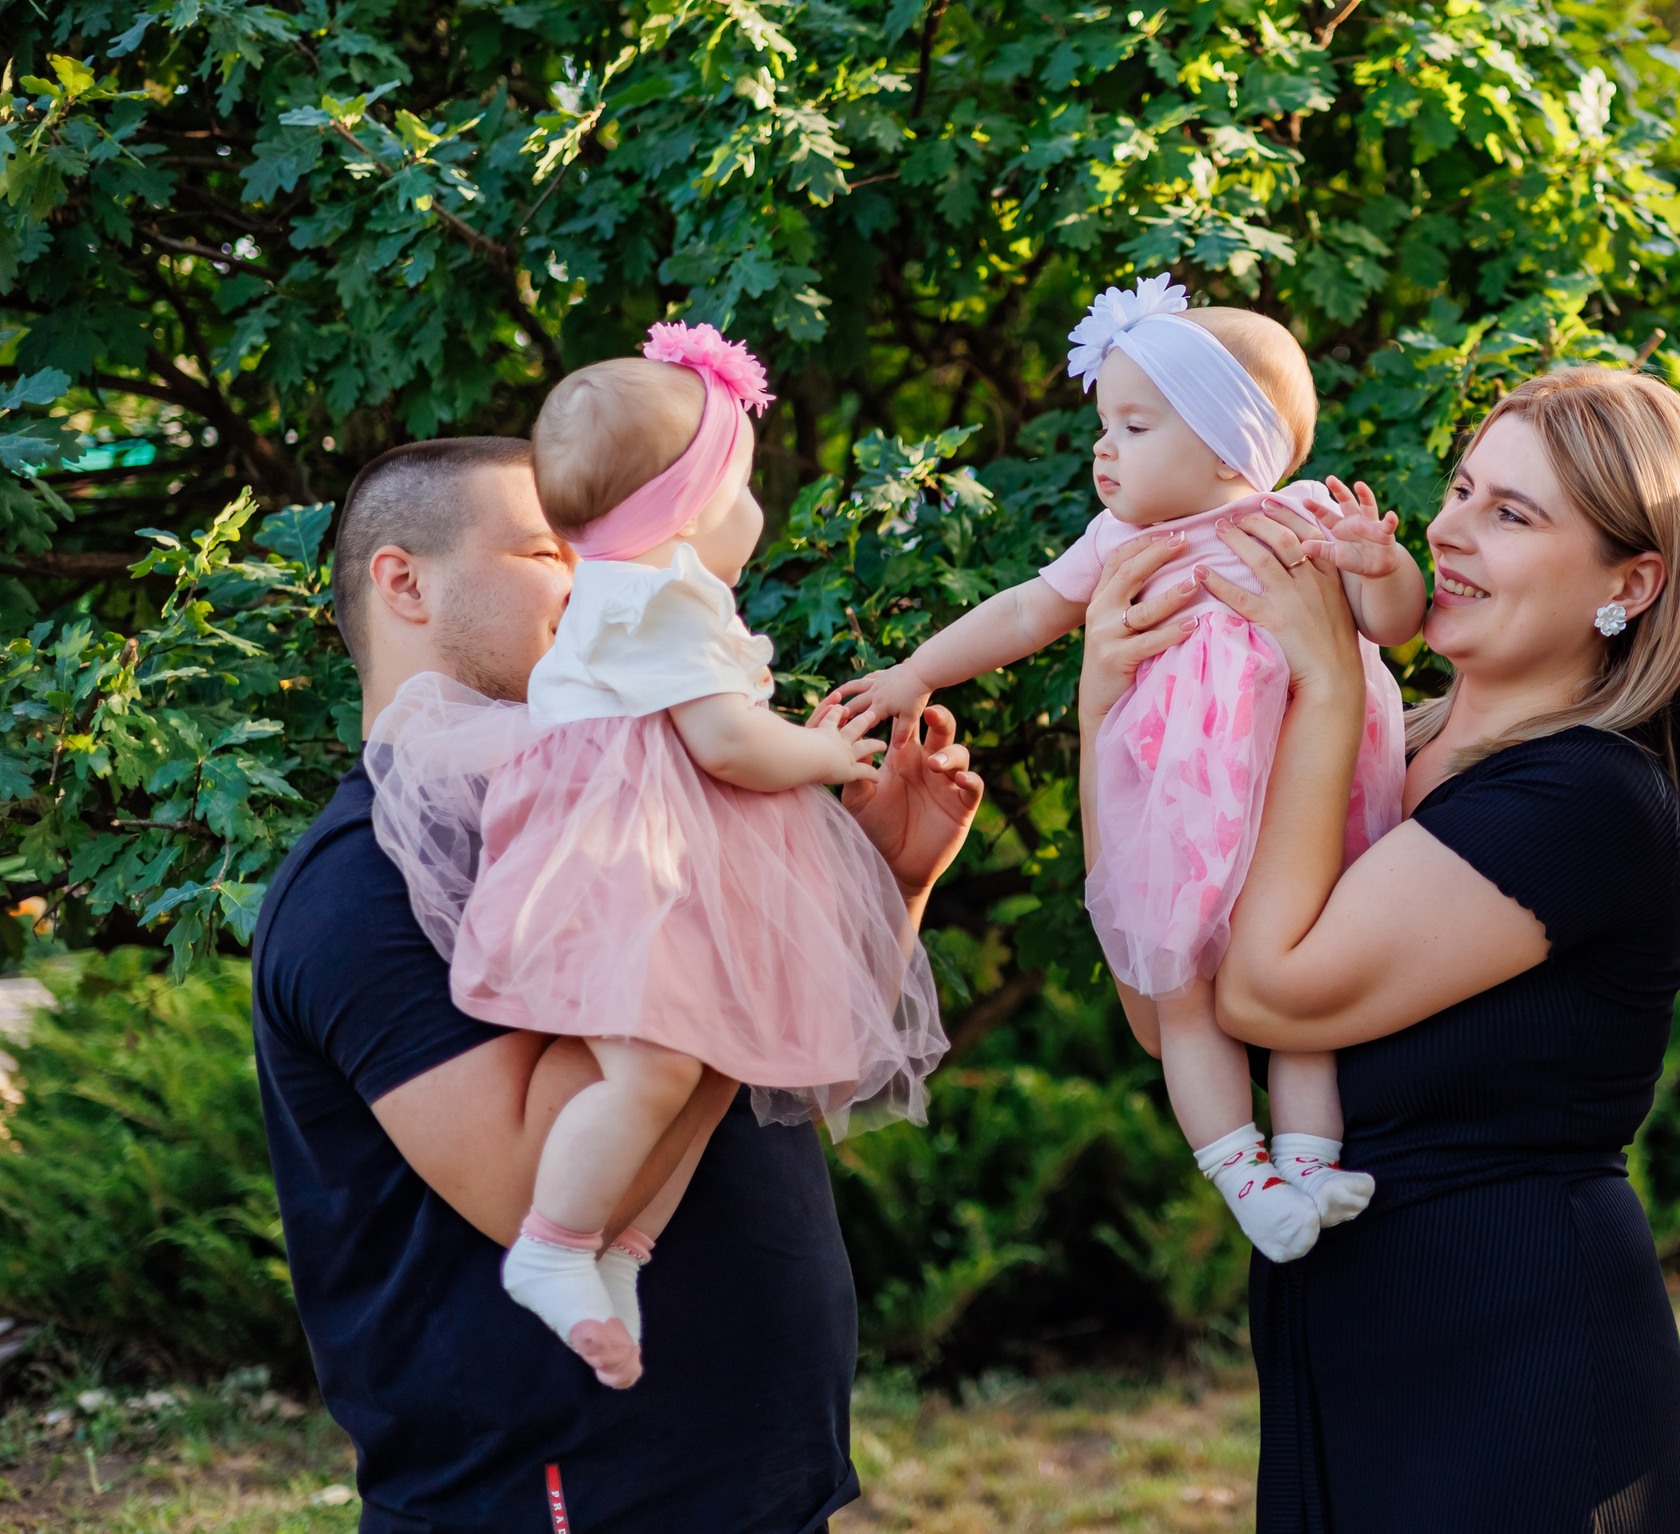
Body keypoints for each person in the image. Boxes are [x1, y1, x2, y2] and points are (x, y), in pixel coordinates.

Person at [251, 433, 983, 1533]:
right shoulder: (363, 883)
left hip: (760, 1473)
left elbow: (788, 1061)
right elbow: (542, 1191)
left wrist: (888, 884)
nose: (602, 579)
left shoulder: (632, 804)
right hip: (560, 1494)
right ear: (404, 581)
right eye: (552, 551)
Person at [1081, 367, 1680, 1532]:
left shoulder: (1584, 797)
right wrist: (1104, 711)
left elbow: (1269, 993)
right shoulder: (1401, 752)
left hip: (1515, 1371)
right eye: (1459, 489)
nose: (1445, 531)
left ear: (1629, 583)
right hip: (1350, 1350)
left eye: (1513, 514)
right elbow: (1167, 997)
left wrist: (1326, 680)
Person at [363, 324, 944, 1389]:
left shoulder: (641, 603)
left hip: (770, 1447)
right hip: (620, 862)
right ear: (689, 511)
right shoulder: (663, 595)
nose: (568, 571)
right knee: (655, 1066)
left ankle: (619, 1251)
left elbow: (776, 1042)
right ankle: (557, 1247)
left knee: (692, 1057)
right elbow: (728, 741)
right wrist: (821, 752)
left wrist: (896, 874)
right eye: (539, 552)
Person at [839, 274, 1423, 1263]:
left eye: (1136, 426)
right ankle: (1243, 1173)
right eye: (1104, 425)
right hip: (1185, 816)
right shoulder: (1120, 543)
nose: (1104, 450)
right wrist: (914, 671)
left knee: (1303, 990)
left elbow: (1395, 626)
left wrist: (1378, 564)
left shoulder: (1309, 518)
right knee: (1185, 991)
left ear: (1229, 443)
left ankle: (1314, 1165)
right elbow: (1027, 612)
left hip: (1303, 808)